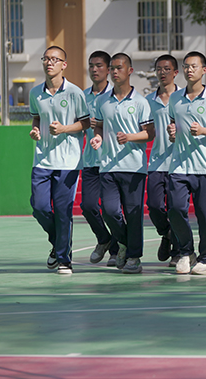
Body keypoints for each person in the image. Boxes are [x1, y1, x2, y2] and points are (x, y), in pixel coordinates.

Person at [90, 53, 155, 274]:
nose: (115, 72)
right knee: (109, 211)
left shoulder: (141, 102)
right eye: (112, 68)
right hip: (108, 166)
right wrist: (98, 138)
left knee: (133, 214)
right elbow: (99, 126)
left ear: (130, 71)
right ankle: (124, 243)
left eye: (119, 68)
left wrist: (130, 137)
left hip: (134, 167)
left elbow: (150, 134)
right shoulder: (102, 101)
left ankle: (134, 257)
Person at [29, 46, 90, 275]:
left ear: (64, 65)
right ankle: (58, 242)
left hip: (68, 162)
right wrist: (36, 130)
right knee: (39, 208)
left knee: (63, 211)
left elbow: (85, 123)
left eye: (55, 59)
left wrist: (64, 129)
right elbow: (37, 117)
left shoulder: (75, 93)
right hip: (42, 160)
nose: (49, 63)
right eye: (46, 59)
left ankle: (64, 259)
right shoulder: (35, 93)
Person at [166, 51, 206, 275]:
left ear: (204, 70)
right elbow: (173, 127)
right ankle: (186, 251)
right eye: (186, 66)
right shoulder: (175, 98)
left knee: (205, 216)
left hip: (205, 167)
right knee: (175, 209)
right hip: (179, 165)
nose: (189, 70)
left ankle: (205, 258)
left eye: (194, 66)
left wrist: (203, 131)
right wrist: (172, 133)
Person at [80, 51, 120, 267]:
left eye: (99, 65)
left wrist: (103, 126)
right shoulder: (82, 96)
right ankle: (104, 239)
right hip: (90, 161)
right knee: (88, 206)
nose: (94, 69)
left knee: (111, 210)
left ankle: (116, 250)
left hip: (112, 162)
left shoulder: (115, 96)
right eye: (91, 65)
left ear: (108, 69)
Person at [146, 54, 183, 266]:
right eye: (159, 69)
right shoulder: (149, 101)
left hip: (180, 163)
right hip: (157, 162)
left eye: (167, 69)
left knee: (175, 208)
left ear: (175, 72)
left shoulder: (184, 99)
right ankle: (166, 233)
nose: (162, 73)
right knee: (154, 205)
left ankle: (177, 251)